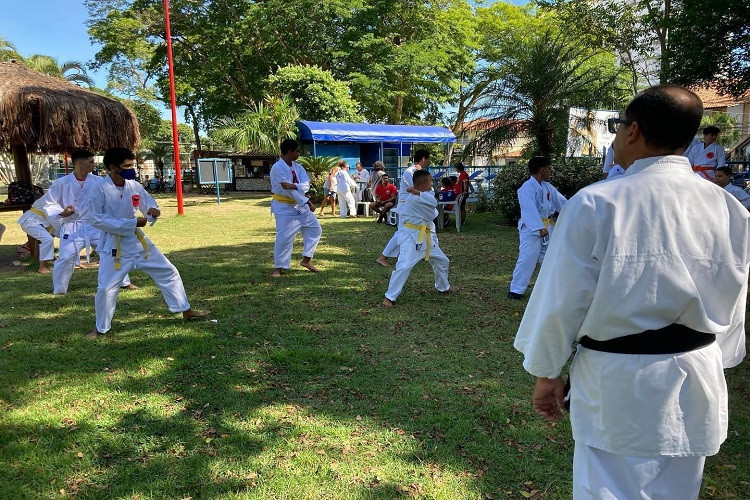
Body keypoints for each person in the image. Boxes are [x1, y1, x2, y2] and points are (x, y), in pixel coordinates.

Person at [514, 84, 749, 498]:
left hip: (618, 384)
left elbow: (561, 300)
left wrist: (547, 371)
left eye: (617, 125)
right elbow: (736, 295)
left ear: (633, 130)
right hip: (696, 374)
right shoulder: (730, 208)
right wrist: (720, 355)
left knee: (606, 489)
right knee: (678, 490)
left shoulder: (597, 203)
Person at [87, 148, 208, 338]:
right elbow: (95, 219)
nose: (131, 169)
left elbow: (149, 205)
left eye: (132, 165)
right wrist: (131, 222)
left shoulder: (134, 186)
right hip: (113, 245)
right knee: (106, 287)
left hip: (137, 241)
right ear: (112, 167)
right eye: (127, 166)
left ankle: (184, 309)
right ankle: (101, 328)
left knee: (168, 270)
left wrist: (153, 212)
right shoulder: (99, 189)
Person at [46, 150, 135, 295]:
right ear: (79, 163)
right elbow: (50, 203)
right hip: (72, 225)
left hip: (96, 224)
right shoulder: (61, 183)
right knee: (66, 257)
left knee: (111, 252)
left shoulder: (99, 181)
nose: (94, 164)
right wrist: (62, 212)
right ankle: (60, 289)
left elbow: (111, 199)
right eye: (91, 162)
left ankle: (124, 282)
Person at [382, 169, 457, 307]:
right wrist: (420, 195)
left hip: (426, 238)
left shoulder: (421, 195)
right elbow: (433, 212)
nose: (431, 184)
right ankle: (389, 297)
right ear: (423, 183)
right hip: (412, 238)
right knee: (404, 267)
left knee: (442, 261)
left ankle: (443, 287)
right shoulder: (414, 199)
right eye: (429, 181)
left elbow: (433, 202)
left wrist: (420, 193)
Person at [507, 157, 567, 300]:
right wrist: (539, 227)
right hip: (531, 229)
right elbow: (528, 209)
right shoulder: (527, 188)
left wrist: (575, 210)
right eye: (548, 168)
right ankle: (516, 290)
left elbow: (563, 203)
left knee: (550, 258)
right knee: (527, 258)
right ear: (542, 169)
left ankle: (551, 288)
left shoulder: (547, 187)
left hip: (547, 227)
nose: (549, 171)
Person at [270, 139, 322, 277]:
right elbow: (286, 190)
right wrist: (307, 201)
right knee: (284, 237)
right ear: (290, 152)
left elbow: (306, 185)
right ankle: (278, 267)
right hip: (284, 206)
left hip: (300, 205)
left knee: (315, 229)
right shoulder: (277, 168)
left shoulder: (298, 166)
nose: (299, 153)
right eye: (297, 151)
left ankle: (306, 260)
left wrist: (294, 185)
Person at [375, 149, 430, 267]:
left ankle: (431, 252)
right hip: (407, 206)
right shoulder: (410, 172)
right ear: (423, 159)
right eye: (428, 159)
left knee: (426, 227)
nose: (429, 162)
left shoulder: (419, 171)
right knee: (401, 232)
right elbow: (417, 188)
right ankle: (382, 257)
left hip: (415, 206)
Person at [17, 193, 61, 273]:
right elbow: (54, 219)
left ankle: (70, 260)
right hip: (30, 222)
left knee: (66, 236)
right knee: (48, 239)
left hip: (42, 222)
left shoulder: (59, 198)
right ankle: (42, 267)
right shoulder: (50, 199)